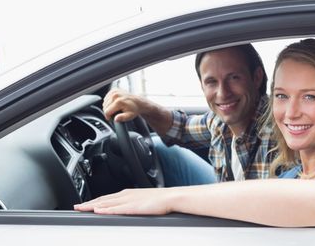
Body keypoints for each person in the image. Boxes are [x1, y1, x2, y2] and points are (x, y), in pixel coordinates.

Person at [76, 39, 315, 227]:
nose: (290, 113)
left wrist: (169, 199)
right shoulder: (300, 169)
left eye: (310, 97)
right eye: (282, 96)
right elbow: (180, 127)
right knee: (163, 149)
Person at [103, 44, 276, 185]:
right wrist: (142, 106)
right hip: (229, 201)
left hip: (248, 217)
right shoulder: (218, 122)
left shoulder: (278, 132)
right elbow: (182, 128)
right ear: (202, 85)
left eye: (234, 78)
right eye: (211, 82)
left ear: (256, 78)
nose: (222, 93)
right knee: (157, 147)